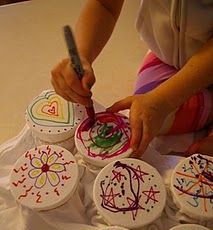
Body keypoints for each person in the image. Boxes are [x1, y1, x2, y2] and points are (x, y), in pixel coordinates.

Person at [51, 0, 213, 157]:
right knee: (140, 120)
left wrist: (163, 100)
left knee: (151, 117)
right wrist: (82, 54)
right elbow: (104, 4)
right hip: (166, 56)